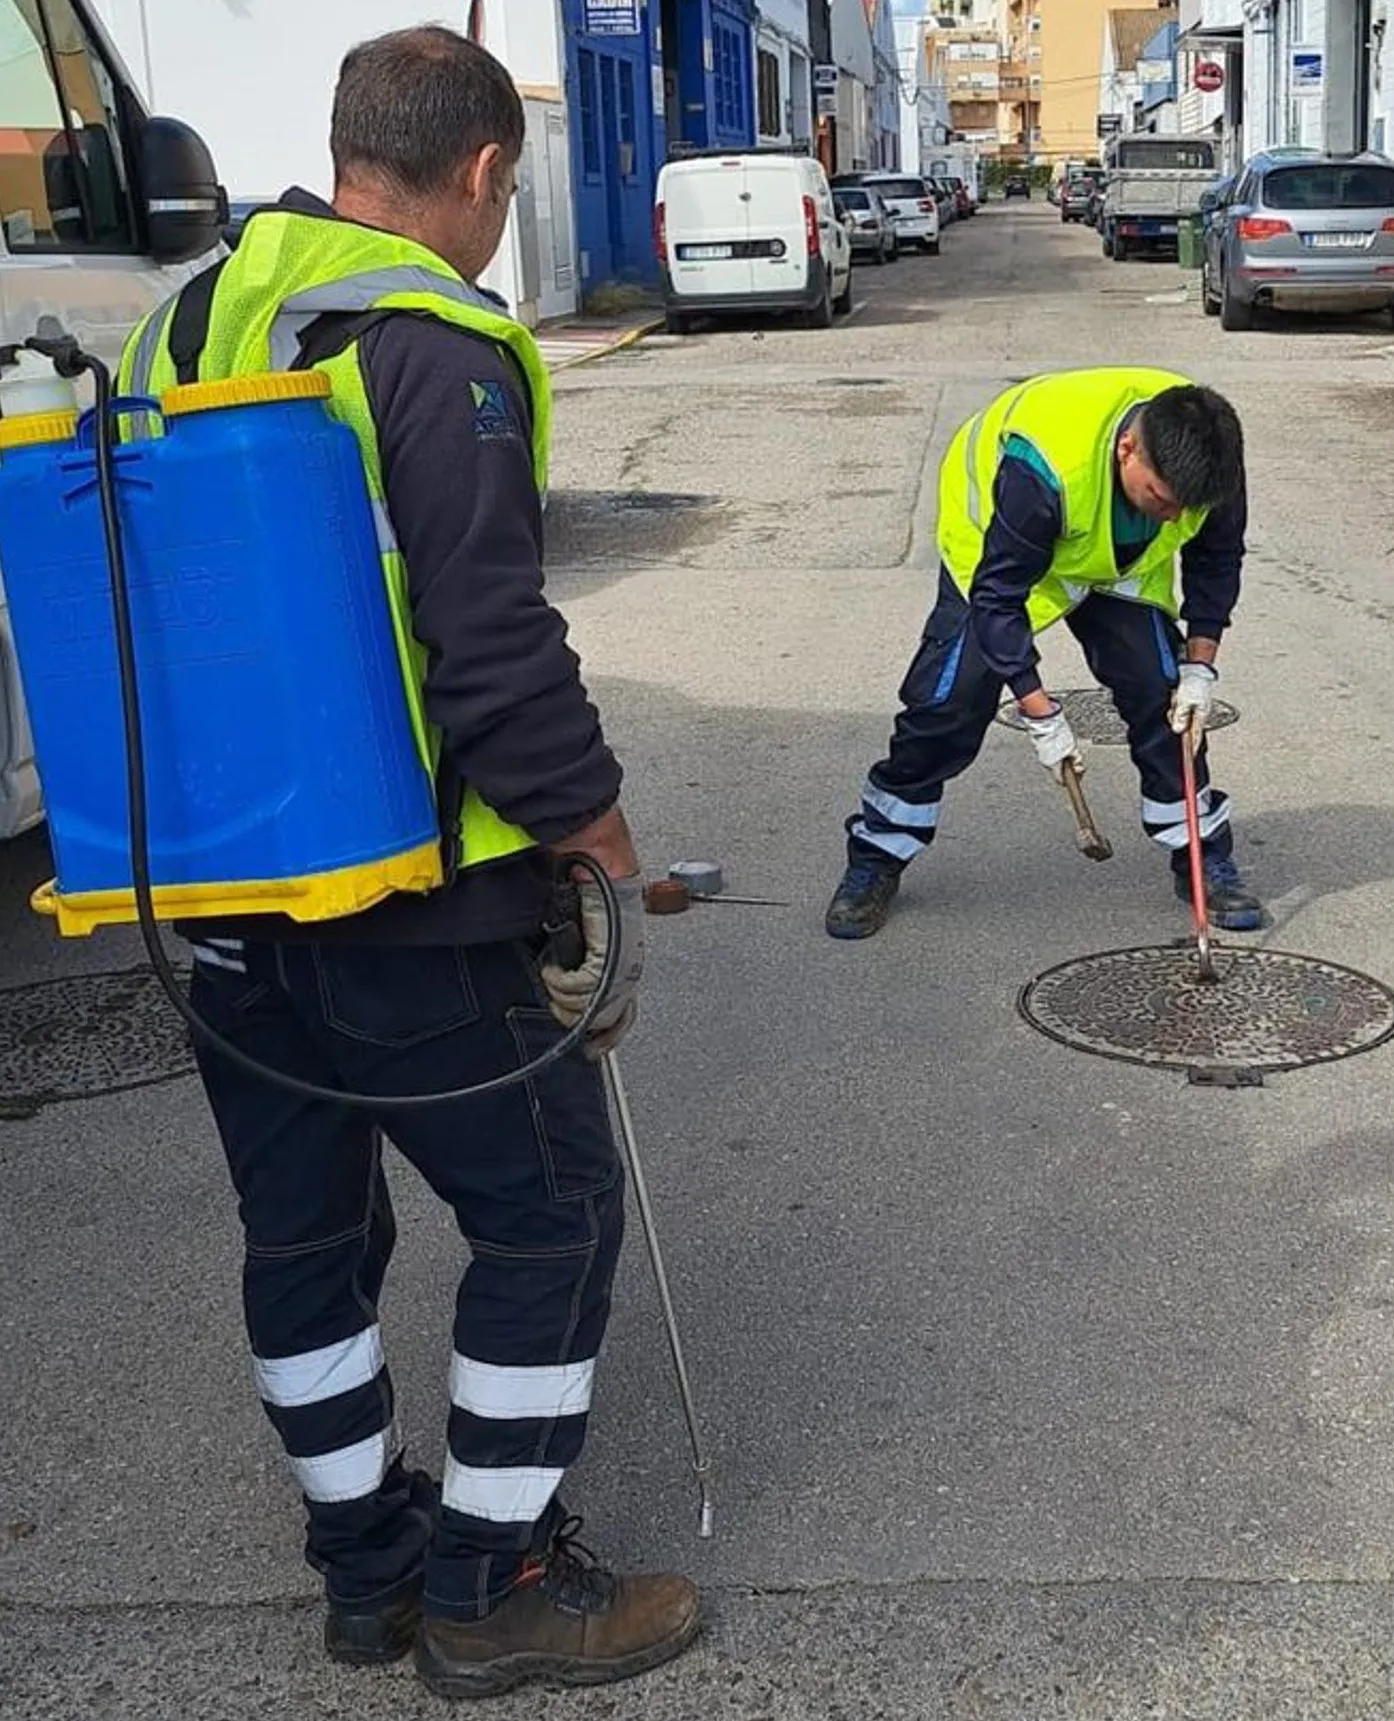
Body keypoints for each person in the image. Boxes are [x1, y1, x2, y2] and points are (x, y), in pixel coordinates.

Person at [117, 28, 698, 1699]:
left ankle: (367, 1571)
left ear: (344, 149)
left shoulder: (184, 319)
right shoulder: (431, 343)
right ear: (485, 172)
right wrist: (597, 844)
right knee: (552, 1215)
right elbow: (488, 642)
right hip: (407, 901)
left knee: (303, 1236)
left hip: (220, 888)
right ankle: (492, 1583)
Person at [826, 367, 1262, 940]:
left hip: (1117, 564)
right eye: (1161, 498)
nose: (1174, 517)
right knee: (949, 705)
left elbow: (1217, 558)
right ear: (1127, 449)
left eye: (1186, 507)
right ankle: (877, 854)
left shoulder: (1210, 456)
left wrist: (1199, 669)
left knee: (1165, 701)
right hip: (1000, 552)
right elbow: (999, 600)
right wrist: (1043, 716)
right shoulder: (1044, 467)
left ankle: (1201, 855)